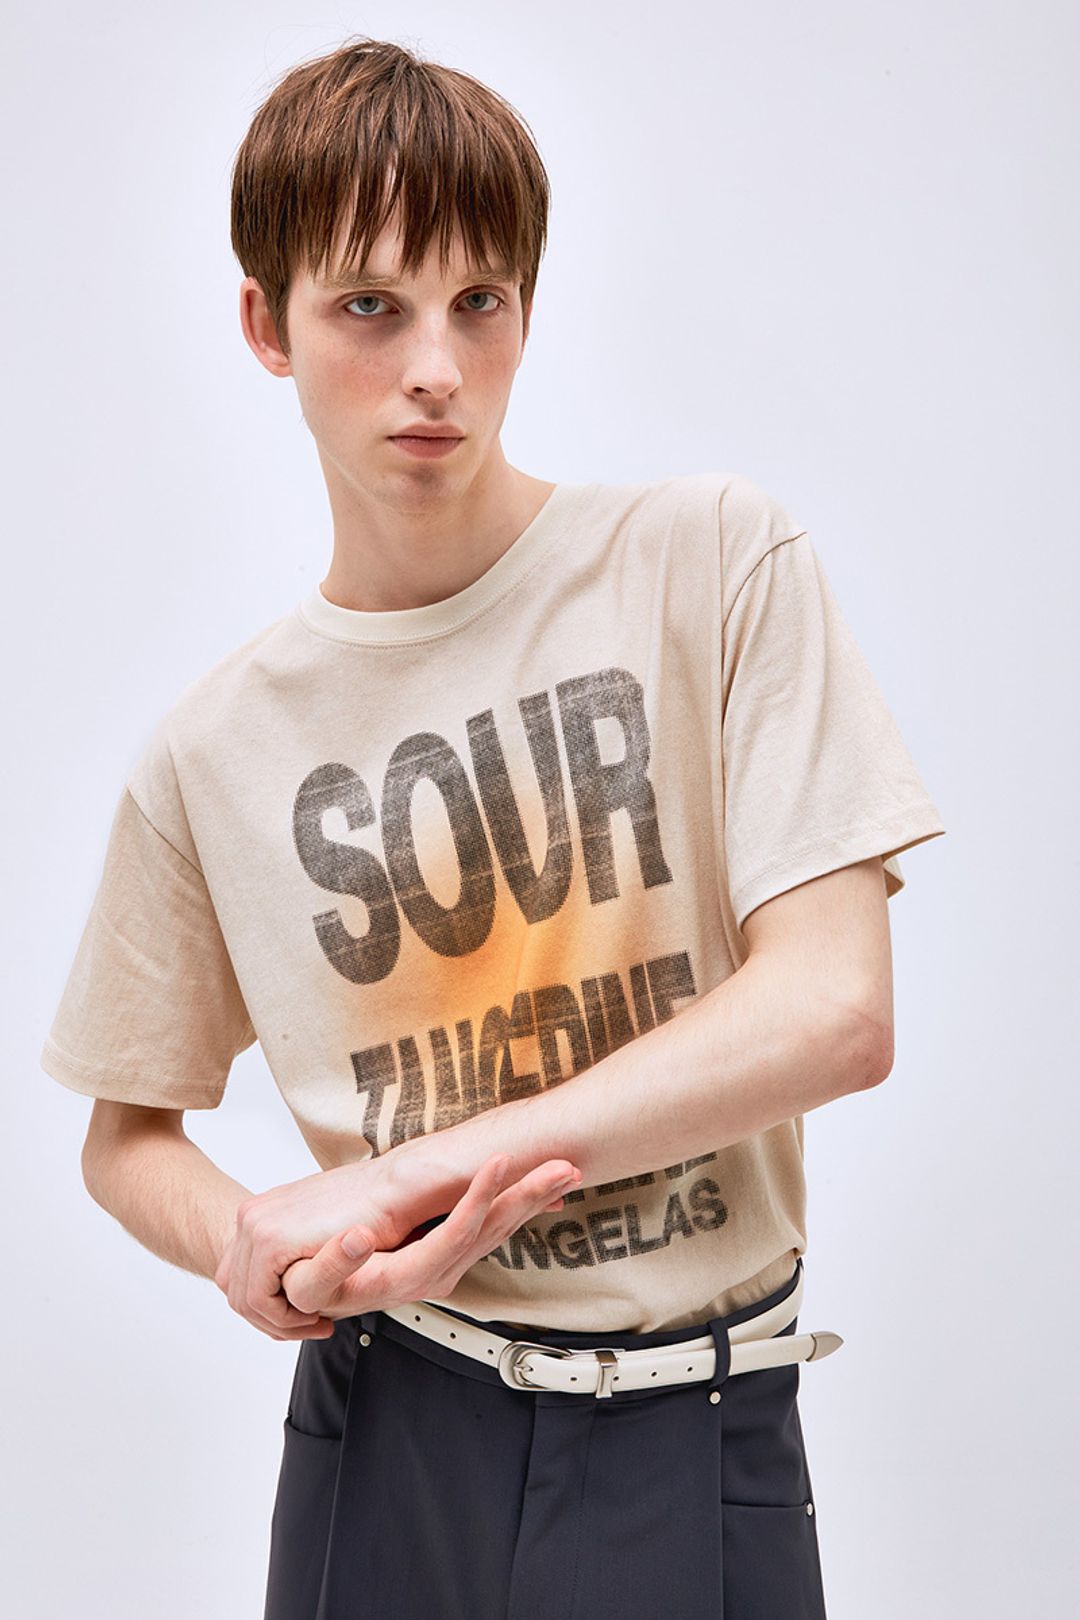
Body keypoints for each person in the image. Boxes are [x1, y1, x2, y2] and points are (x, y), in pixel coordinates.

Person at [39, 33, 947, 1620]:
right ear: (265, 324)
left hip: (692, 1420)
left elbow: (836, 1010)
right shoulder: (213, 750)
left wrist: (404, 1181)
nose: (436, 369)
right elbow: (127, 1137)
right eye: (368, 306)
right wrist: (254, 1241)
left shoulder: (709, 564)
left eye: (480, 300)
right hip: (383, 1425)